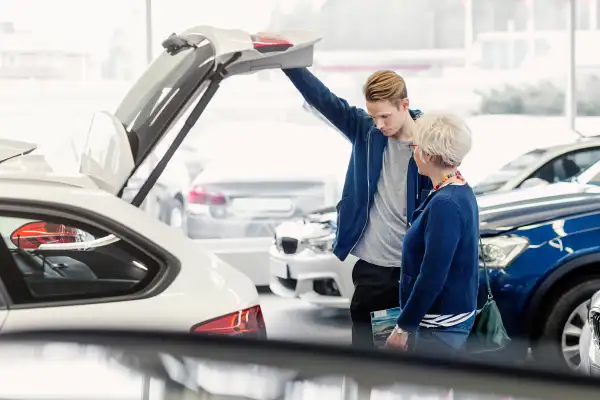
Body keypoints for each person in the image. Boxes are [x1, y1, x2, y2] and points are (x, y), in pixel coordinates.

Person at [282, 67, 432, 348]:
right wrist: (289, 64)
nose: (379, 124)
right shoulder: (365, 131)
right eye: (373, 116)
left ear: (405, 105)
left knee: (413, 356)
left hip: (413, 270)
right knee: (365, 355)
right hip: (373, 267)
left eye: (385, 116)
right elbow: (322, 99)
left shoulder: (432, 141)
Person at [384, 112, 479, 354]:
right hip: (448, 319)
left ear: (425, 155)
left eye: (414, 146)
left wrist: (403, 327)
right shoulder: (458, 188)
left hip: (439, 328)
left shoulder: (445, 204)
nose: (413, 152)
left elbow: (432, 275)